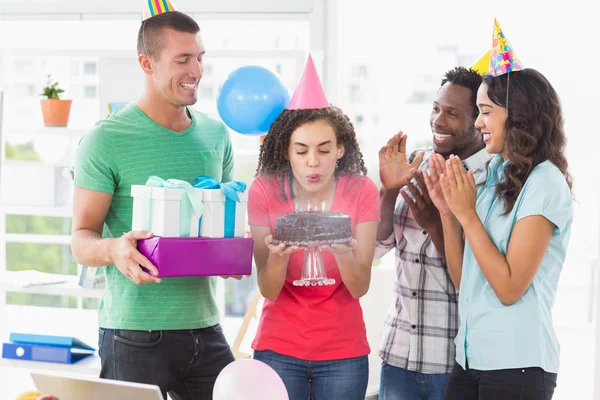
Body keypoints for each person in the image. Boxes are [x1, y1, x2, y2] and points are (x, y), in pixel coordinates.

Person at [70, 8, 237, 400]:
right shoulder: (106, 140)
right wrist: (114, 248)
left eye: (200, 58)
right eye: (183, 59)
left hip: (206, 327)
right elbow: (80, 239)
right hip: (133, 334)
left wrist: (232, 249)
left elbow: (225, 221)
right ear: (146, 63)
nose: (196, 70)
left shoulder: (217, 135)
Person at [424, 68, 573, 400]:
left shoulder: (545, 182)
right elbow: (467, 283)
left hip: (516, 364)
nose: (478, 123)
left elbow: (508, 289)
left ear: (518, 115)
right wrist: (448, 214)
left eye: (486, 112)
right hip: (471, 358)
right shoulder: (492, 177)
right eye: (478, 112)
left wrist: (467, 215)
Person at [247, 56, 380, 400]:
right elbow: (269, 289)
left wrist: (344, 253)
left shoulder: (362, 190)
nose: (312, 162)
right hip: (278, 347)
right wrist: (277, 259)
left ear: (340, 149)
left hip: (344, 353)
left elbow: (360, 286)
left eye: (324, 150)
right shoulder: (264, 190)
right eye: (301, 150)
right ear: (286, 152)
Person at [376, 67, 490, 400]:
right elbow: (377, 248)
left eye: (452, 113)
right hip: (399, 354)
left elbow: (480, 279)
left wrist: (435, 223)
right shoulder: (415, 165)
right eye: (436, 108)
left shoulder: (491, 181)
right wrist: (388, 191)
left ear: (479, 120)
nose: (438, 120)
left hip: (455, 361)